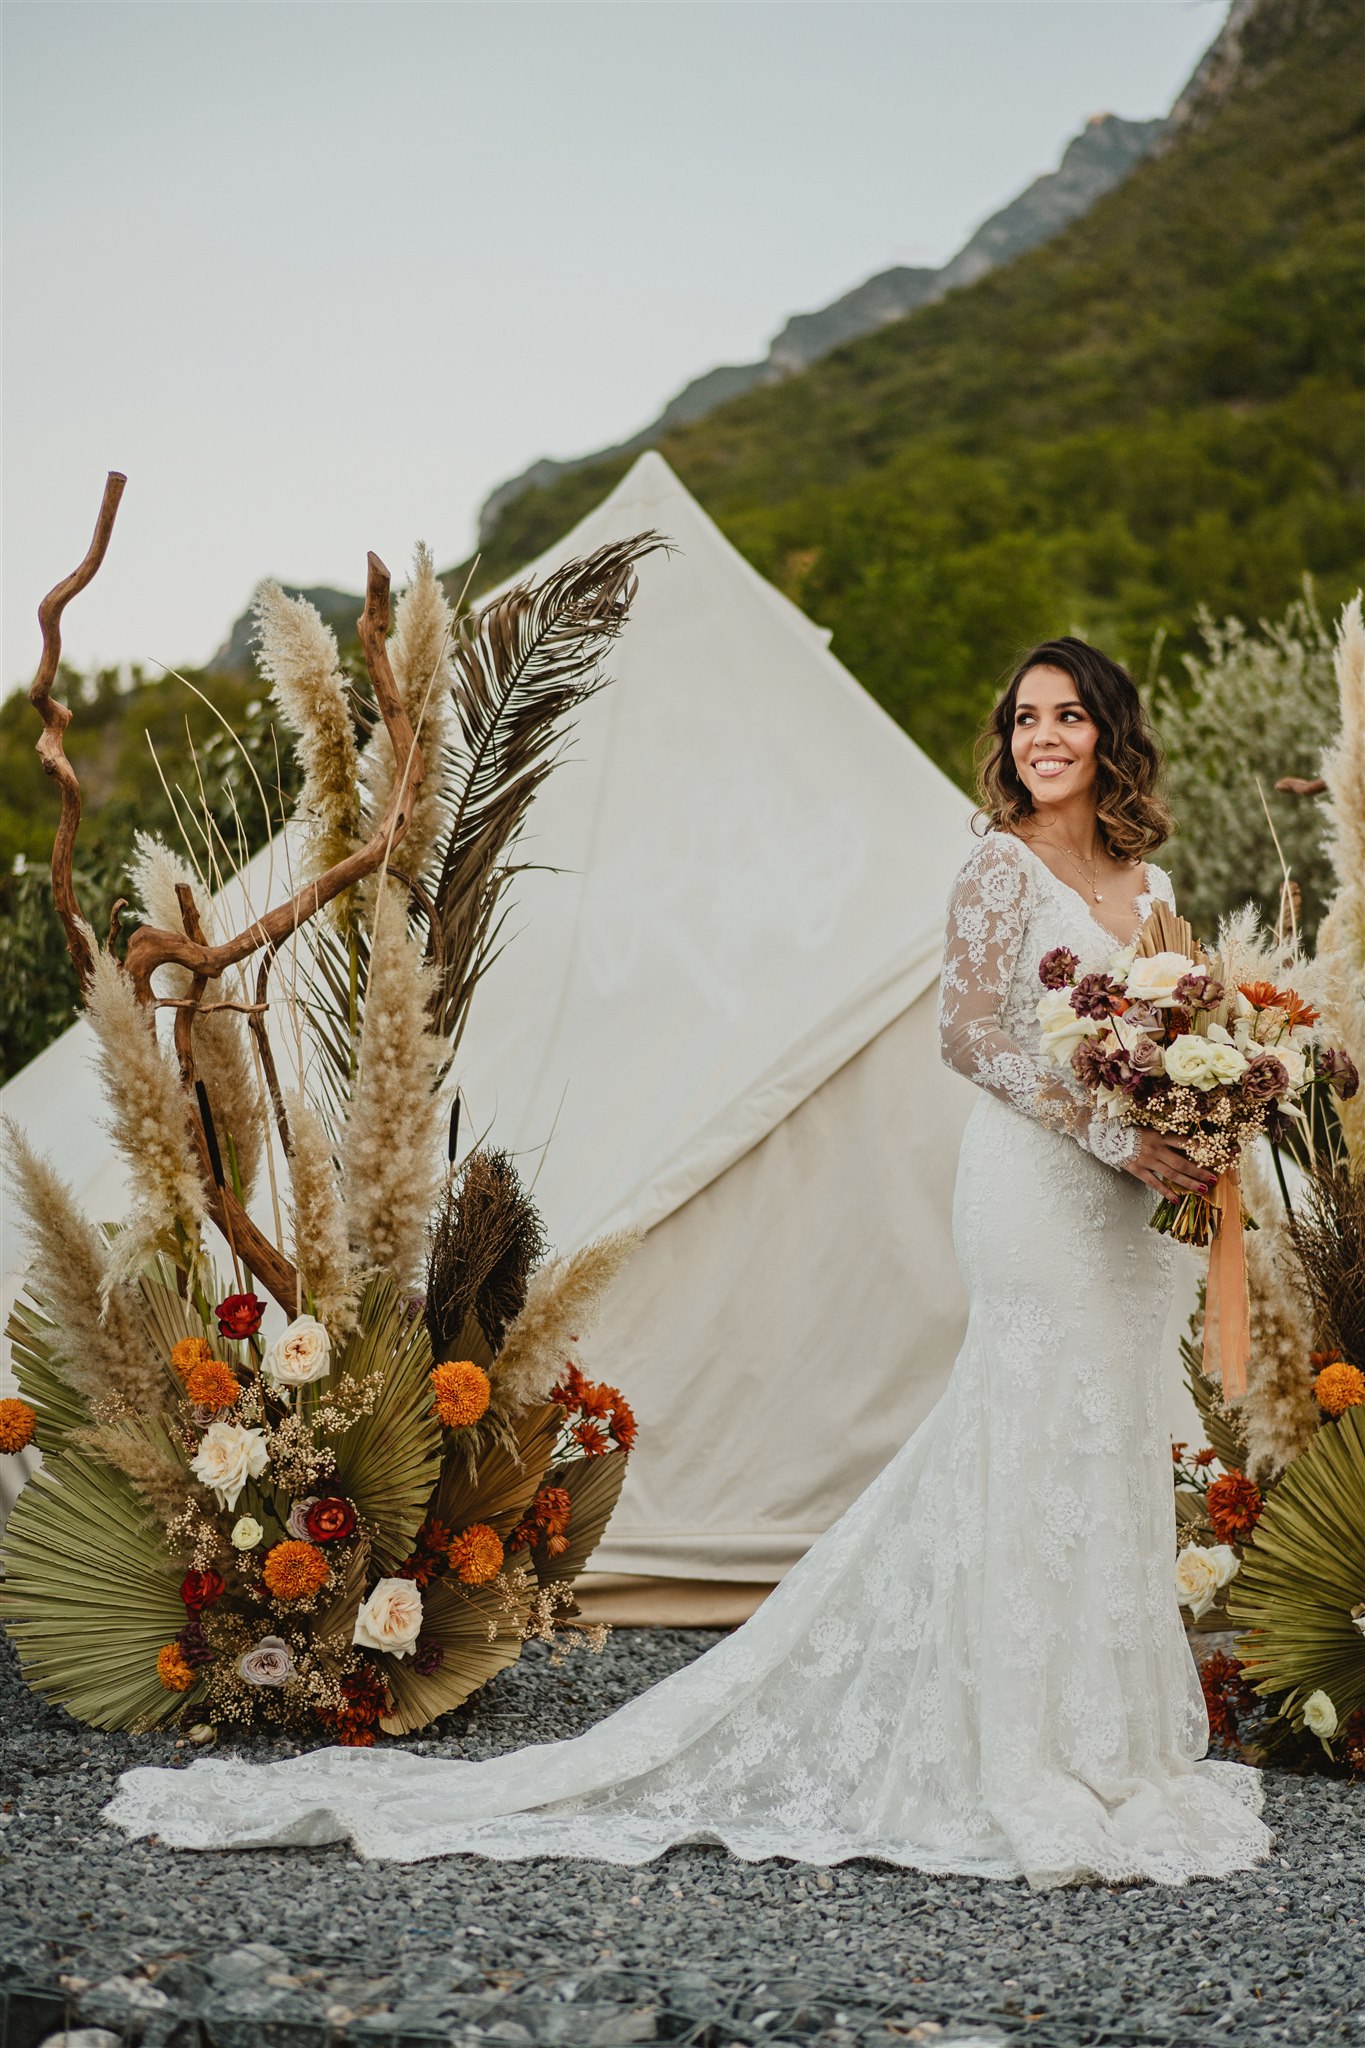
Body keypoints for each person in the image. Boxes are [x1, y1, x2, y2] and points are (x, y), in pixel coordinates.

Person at [104, 637, 1271, 1886]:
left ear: (1110, 734)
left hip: (1128, 1213)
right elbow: (969, 1034)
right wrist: (1114, 1127)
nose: (1044, 736)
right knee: (1029, 1427)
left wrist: (1197, 1113)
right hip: (1041, 1191)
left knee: (1105, 1441)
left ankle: (1109, 1730)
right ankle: (1016, 1738)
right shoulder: (996, 865)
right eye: (1026, 716)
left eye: (1070, 715)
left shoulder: (1148, 887)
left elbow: (1175, 1026)